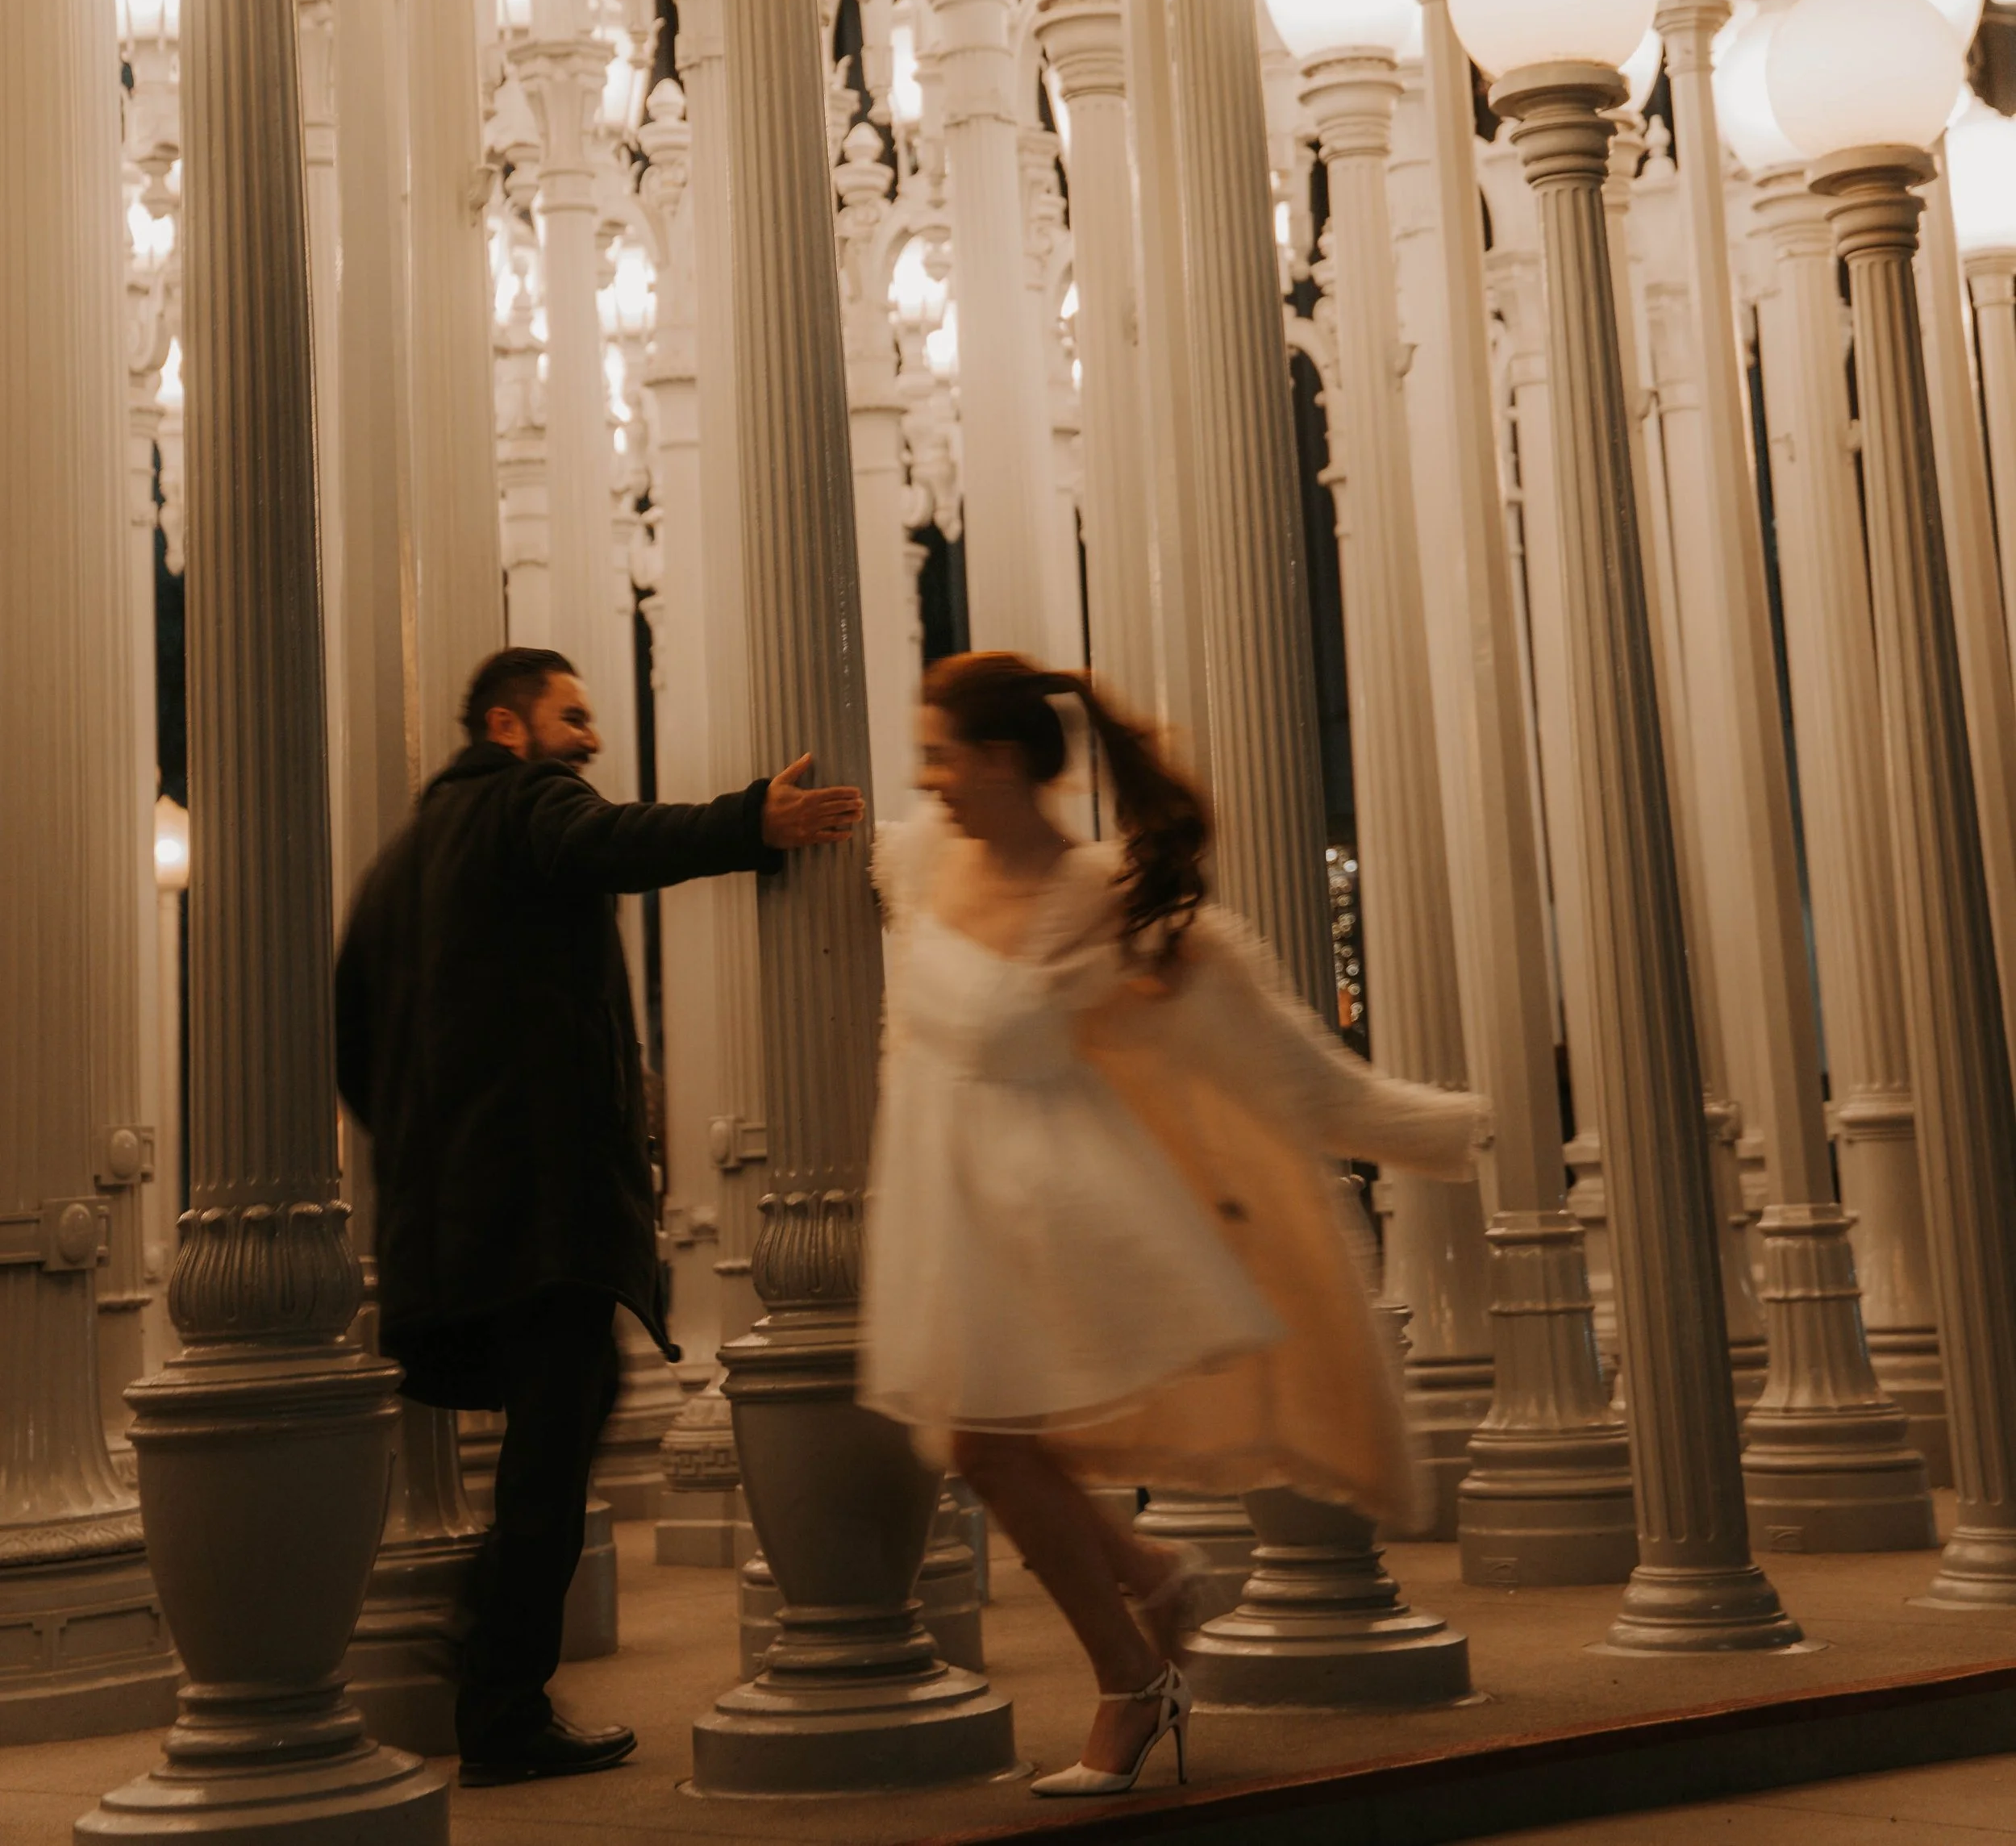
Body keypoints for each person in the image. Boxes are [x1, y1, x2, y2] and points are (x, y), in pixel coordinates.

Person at [862, 652, 1486, 1802]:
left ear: (1002, 759)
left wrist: (1444, 1126)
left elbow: (1275, 1053)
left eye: (942, 754)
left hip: (1048, 1212)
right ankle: (1155, 1574)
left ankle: (1133, 1681)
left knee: (995, 1445)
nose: (930, 778)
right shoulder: (917, 855)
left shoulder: (1101, 894)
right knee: (989, 1444)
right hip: (940, 1212)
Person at [334, 645, 860, 1788]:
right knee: (557, 1440)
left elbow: (352, 1045)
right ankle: (503, 1704)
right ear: (507, 728)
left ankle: (493, 1668)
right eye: (573, 716)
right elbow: (609, 839)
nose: (592, 737)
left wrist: (429, 1147)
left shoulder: (395, 867)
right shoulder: (529, 799)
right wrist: (748, 823)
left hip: (454, 1217)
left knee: (549, 1432)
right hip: (545, 1209)